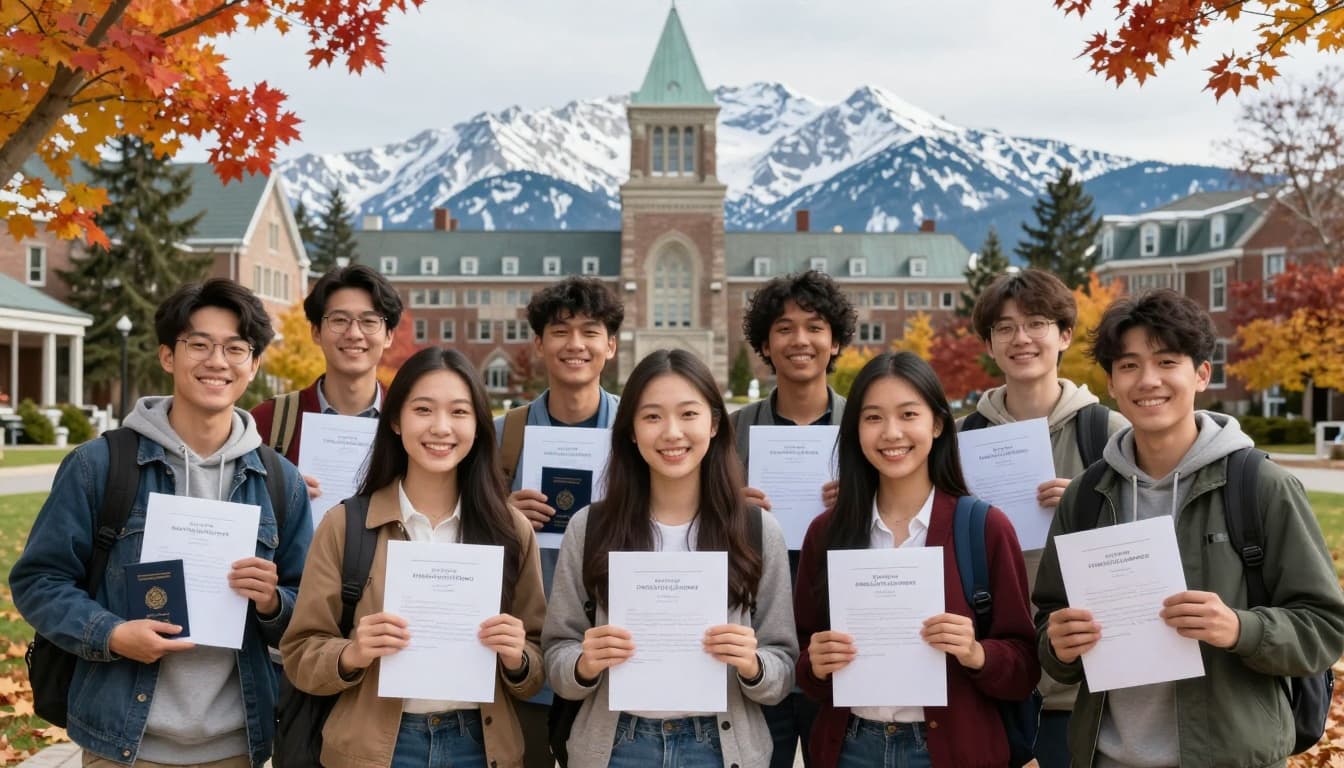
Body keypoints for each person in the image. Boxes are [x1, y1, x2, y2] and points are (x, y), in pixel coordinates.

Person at [1034, 289, 1344, 767]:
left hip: (1229, 758)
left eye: (1166, 361)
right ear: (1113, 383)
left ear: (1201, 373)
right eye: (1130, 365)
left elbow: (1326, 626)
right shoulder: (1087, 495)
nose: (1148, 380)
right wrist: (1058, 645)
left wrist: (1241, 627)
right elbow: (1051, 619)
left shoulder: (1261, 487)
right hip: (1106, 756)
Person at [10, 278, 312, 767]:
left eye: (236, 348)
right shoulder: (100, 466)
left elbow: (310, 614)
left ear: (253, 364)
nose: (217, 361)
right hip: (122, 745)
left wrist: (275, 601)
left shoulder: (280, 481)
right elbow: (39, 580)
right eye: (200, 344)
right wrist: (110, 633)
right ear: (168, 356)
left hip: (238, 745)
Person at [281, 347, 546, 768]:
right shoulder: (346, 525)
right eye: (423, 409)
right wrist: (352, 653)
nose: (441, 427)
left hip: (479, 746)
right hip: (373, 750)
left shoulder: (511, 530)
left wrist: (517, 656)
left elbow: (536, 662)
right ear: (395, 420)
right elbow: (299, 654)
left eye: (459, 412)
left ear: (478, 425)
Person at [542, 349, 798, 768]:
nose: (672, 433)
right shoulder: (590, 527)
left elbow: (782, 670)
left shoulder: (755, 530)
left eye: (688, 414)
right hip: (615, 746)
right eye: (653, 416)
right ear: (630, 431)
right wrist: (585, 663)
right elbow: (557, 659)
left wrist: (752, 664)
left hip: (720, 747)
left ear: (715, 424)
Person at [794, 352, 1039, 768]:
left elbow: (1024, 666)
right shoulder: (827, 532)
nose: (892, 433)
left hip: (952, 750)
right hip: (851, 747)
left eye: (908, 414)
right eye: (873, 418)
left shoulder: (984, 527)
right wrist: (815, 664)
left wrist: (976, 652)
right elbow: (803, 661)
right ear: (855, 429)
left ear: (938, 423)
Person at [965, 268, 1127, 765]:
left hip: (1086, 685)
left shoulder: (1108, 433)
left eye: (1035, 323)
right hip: (992, 676)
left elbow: (1148, 544)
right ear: (990, 345)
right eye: (1005, 328)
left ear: (1064, 335)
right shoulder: (960, 439)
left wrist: (1088, 508)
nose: (1021, 339)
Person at [492, 276, 623, 767]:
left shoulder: (639, 434)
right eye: (561, 331)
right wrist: (501, 516)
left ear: (610, 345)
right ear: (539, 343)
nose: (575, 345)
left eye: (590, 332)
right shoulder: (503, 437)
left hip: (611, 658)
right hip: (524, 663)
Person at [731, 269, 856, 768]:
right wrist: (725, 505)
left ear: (836, 341)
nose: (800, 340)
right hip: (760, 642)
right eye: (784, 328)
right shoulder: (732, 432)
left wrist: (867, 498)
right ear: (765, 343)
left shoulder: (868, 428)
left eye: (814, 326)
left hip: (842, 639)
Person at [252, 263, 404, 497]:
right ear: (315, 332)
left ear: (389, 335)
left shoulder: (408, 421)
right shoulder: (268, 422)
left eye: (369, 321)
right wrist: (279, 496)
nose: (354, 333)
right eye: (339, 320)